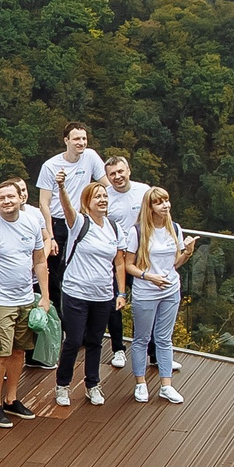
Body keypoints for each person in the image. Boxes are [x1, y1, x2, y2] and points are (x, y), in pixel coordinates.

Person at [0, 179, 53, 429]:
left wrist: (45, 297)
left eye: (11, 197)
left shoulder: (31, 223)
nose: (6, 201)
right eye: (2, 197)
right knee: (1, 353)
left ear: (21, 198)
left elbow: (39, 262)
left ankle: (11, 398)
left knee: (19, 351)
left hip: (25, 298)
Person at [55, 181, 126, 408]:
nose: (103, 200)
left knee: (96, 341)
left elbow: (119, 263)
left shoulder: (114, 227)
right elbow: (66, 208)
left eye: (105, 196)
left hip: (103, 295)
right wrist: (62, 187)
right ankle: (62, 385)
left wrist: (121, 292)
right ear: (87, 202)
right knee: (74, 341)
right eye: (97, 197)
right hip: (76, 292)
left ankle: (92, 384)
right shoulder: (79, 223)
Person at [125, 187, 194, 403]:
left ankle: (166, 385)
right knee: (142, 339)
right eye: (159, 202)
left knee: (164, 338)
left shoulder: (174, 228)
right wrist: (148, 276)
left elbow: (174, 263)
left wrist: (188, 252)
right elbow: (128, 265)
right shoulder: (137, 232)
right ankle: (140, 383)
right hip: (146, 291)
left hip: (170, 290)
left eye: (166, 200)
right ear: (150, 207)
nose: (165, 205)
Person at [38, 126, 104, 334]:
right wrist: (50, 236)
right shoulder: (51, 166)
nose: (81, 143)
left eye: (84, 138)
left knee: (80, 272)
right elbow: (44, 203)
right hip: (58, 223)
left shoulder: (91, 157)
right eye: (76, 139)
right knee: (57, 276)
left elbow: (107, 186)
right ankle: (59, 326)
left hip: (81, 222)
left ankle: (80, 327)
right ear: (66, 140)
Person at [100, 156, 150, 369]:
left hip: (142, 257)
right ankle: (118, 349)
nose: (117, 177)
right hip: (116, 258)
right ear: (107, 177)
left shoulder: (144, 191)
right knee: (114, 305)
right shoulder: (105, 197)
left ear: (128, 170)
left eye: (120, 172)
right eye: (112, 174)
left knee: (148, 304)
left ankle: (156, 353)